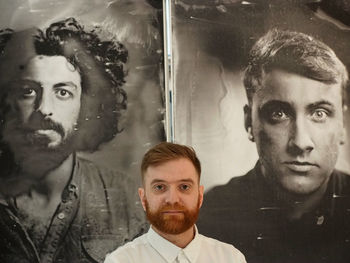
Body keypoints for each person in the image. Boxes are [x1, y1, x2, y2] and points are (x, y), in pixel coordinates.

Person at [0, 17, 146, 263]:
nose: (44, 109)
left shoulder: (125, 198)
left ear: (86, 107)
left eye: (63, 92)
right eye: (28, 91)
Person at [197, 29, 350, 263]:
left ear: (342, 125)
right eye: (279, 114)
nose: (300, 142)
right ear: (249, 122)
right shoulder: (206, 222)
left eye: (320, 113)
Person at [104, 142, 246, 263]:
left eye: (184, 187)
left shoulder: (231, 259)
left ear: (200, 196)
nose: (172, 199)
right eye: (159, 187)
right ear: (143, 198)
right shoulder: (120, 261)